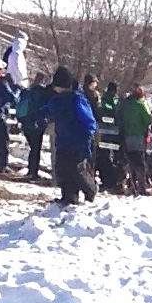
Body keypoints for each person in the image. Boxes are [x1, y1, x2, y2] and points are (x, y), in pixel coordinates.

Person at [45, 68, 98, 207]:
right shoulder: (56, 100)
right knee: (62, 169)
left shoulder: (77, 99)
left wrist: (87, 137)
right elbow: (48, 110)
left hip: (77, 141)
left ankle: (90, 190)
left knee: (77, 169)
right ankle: (69, 196)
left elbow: (89, 121)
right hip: (63, 140)